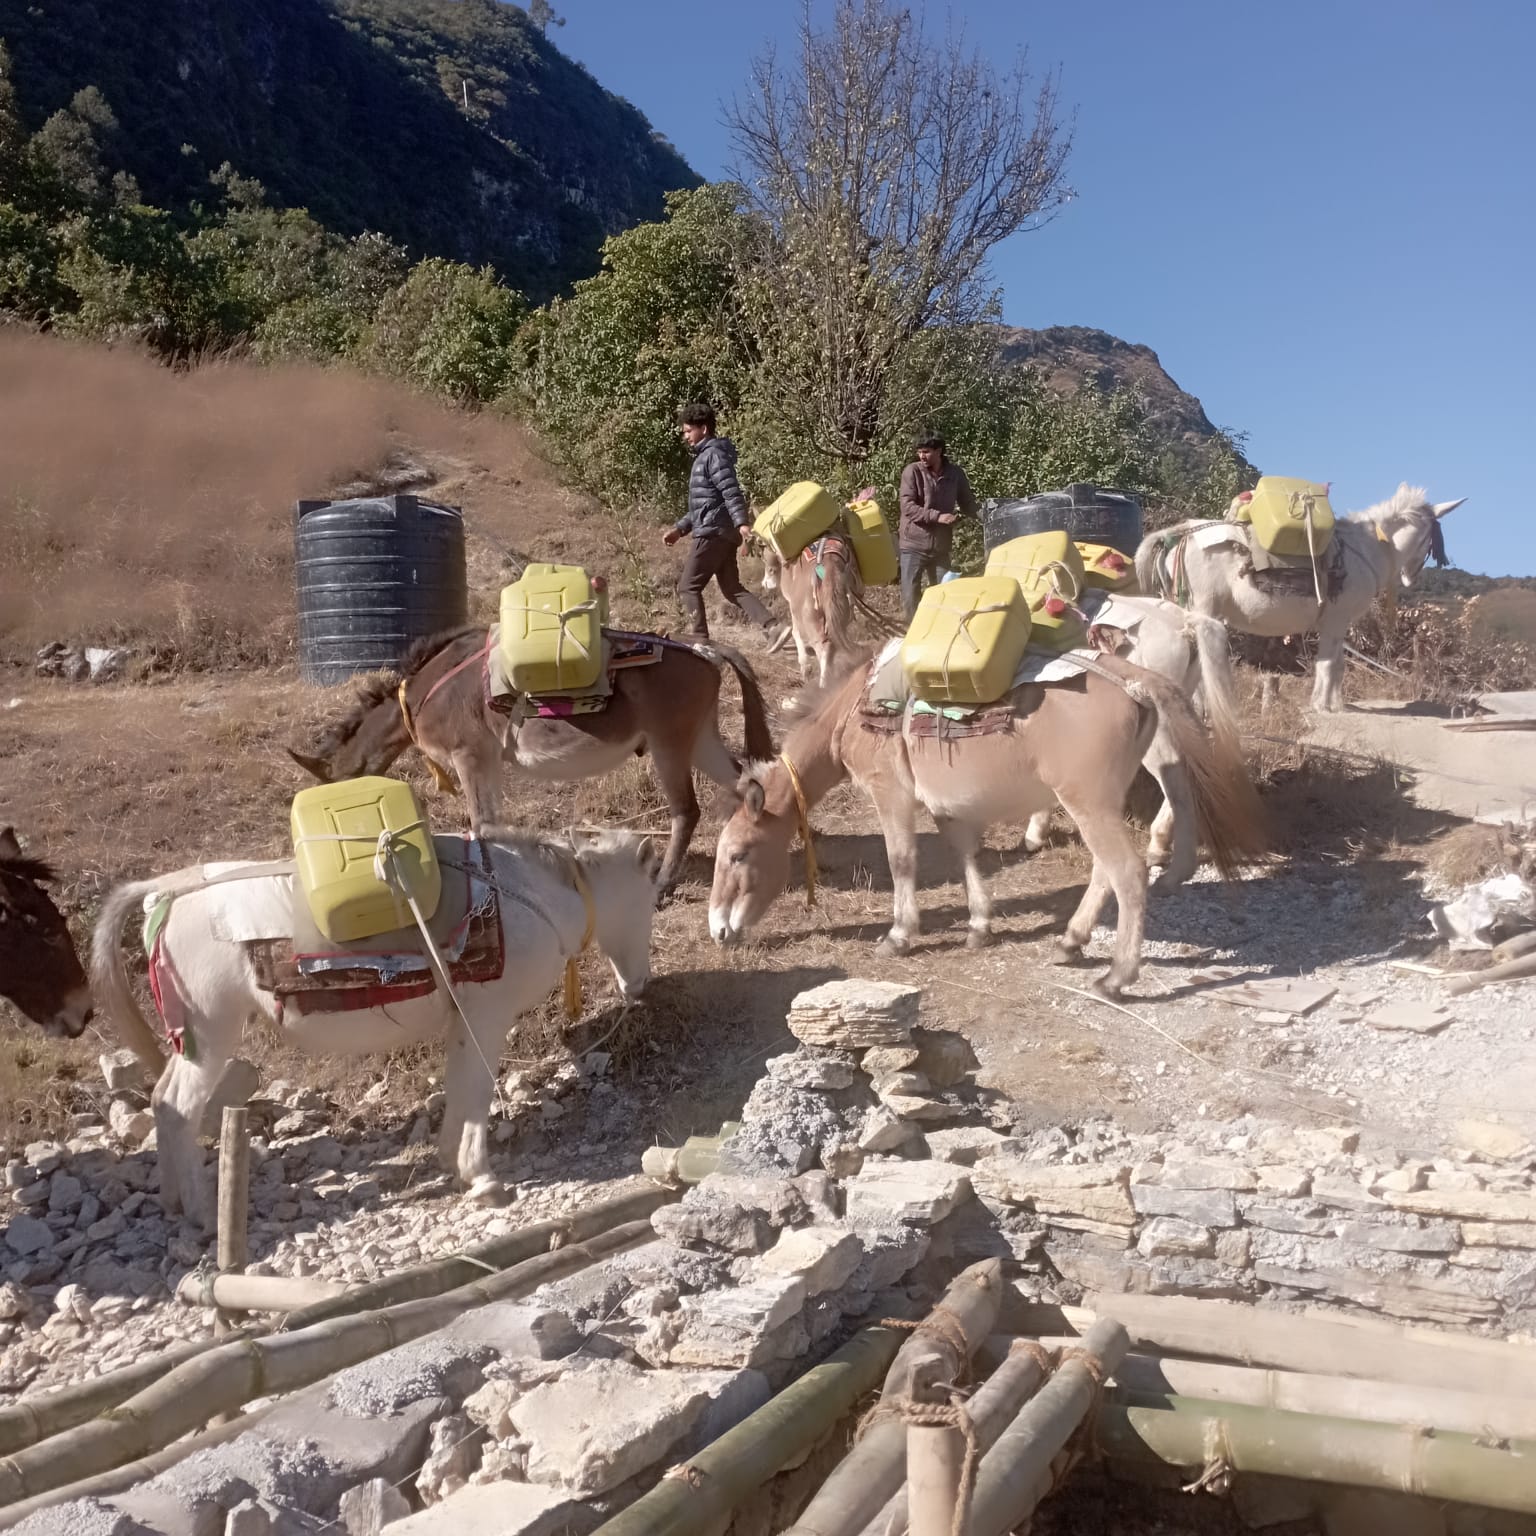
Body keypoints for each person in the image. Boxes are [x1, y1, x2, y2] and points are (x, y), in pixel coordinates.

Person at [662, 404, 789, 644]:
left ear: (704, 429)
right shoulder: (706, 457)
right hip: (720, 531)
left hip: (713, 532)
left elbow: (731, 492)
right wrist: (680, 529)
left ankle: (700, 639)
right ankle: (772, 627)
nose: (685, 436)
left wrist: (742, 523)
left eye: (689, 431)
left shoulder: (713, 456)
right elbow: (703, 506)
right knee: (732, 588)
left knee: (688, 587)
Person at [898, 435, 978, 621]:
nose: (921, 456)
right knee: (911, 597)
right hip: (913, 545)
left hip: (941, 546)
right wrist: (938, 516)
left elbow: (968, 503)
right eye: (919, 452)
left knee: (945, 593)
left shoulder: (955, 474)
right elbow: (907, 507)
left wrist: (988, 515)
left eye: (926, 452)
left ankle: (940, 631)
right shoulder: (912, 472)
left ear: (939, 451)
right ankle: (915, 633)